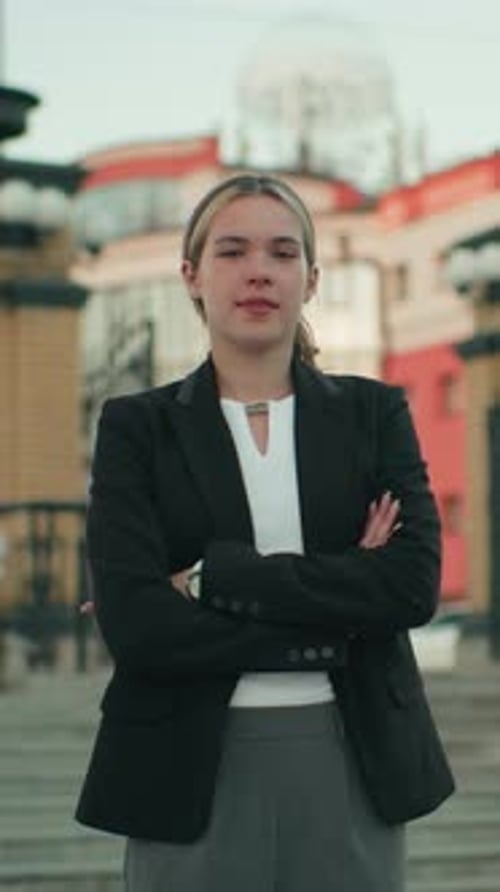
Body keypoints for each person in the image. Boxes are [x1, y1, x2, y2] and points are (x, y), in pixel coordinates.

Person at [76, 174, 454, 892]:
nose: (259, 270)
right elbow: (137, 625)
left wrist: (216, 580)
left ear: (311, 279)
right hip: (183, 760)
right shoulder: (138, 428)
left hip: (355, 756)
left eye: (282, 253)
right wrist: (339, 609)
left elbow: (409, 587)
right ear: (192, 274)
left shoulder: (374, 415)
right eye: (233, 251)